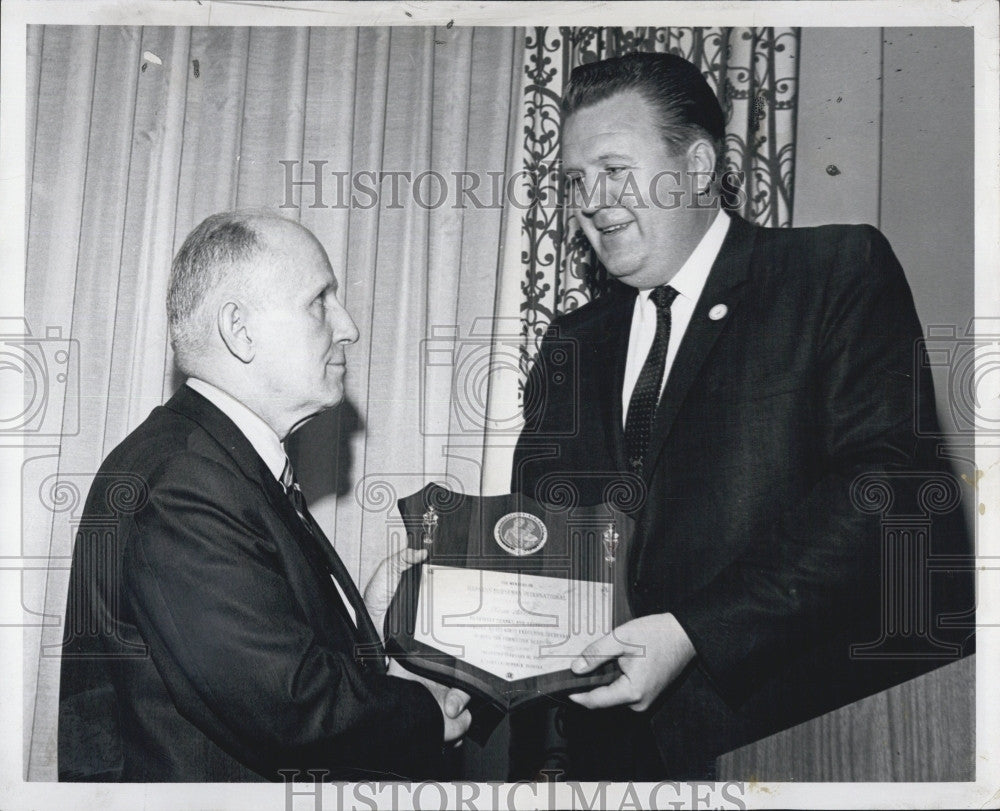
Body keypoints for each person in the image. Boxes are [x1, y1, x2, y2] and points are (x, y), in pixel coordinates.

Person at [510, 52, 973, 779]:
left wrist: (696, 632)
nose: (592, 201)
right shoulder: (571, 342)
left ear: (697, 166)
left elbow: (890, 489)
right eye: (575, 181)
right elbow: (541, 549)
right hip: (612, 763)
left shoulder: (831, 272)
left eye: (613, 169)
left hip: (806, 743)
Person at [58, 210, 470, 782]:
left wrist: (367, 625)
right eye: (319, 301)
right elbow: (284, 706)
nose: (347, 326)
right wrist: (427, 715)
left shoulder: (219, 462)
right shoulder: (185, 479)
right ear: (240, 330)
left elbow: (264, 661)